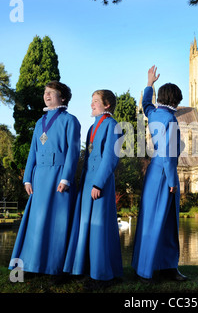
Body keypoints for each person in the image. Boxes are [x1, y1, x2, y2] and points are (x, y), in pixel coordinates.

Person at [9, 81, 81, 278]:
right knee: (36, 223)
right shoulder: (40, 122)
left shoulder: (70, 121)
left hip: (59, 176)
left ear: (63, 97)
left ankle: (56, 269)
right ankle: (31, 266)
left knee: (57, 224)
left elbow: (73, 153)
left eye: (51, 93)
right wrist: (27, 179)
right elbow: (33, 151)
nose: (47, 96)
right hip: (39, 178)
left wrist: (66, 178)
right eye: (45, 93)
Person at [132, 65, 187, 282]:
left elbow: (145, 104)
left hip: (153, 172)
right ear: (174, 100)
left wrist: (149, 84)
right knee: (169, 222)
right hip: (165, 174)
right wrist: (173, 181)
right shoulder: (171, 119)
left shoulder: (154, 114)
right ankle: (167, 268)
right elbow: (169, 155)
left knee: (150, 220)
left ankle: (144, 268)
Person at [63, 89, 123, 288]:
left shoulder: (113, 125)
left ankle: (102, 276)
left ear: (107, 105)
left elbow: (111, 158)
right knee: (85, 225)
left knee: (99, 228)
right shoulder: (92, 127)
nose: (91, 104)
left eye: (96, 101)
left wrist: (98, 183)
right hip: (87, 181)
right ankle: (85, 269)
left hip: (100, 183)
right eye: (91, 101)